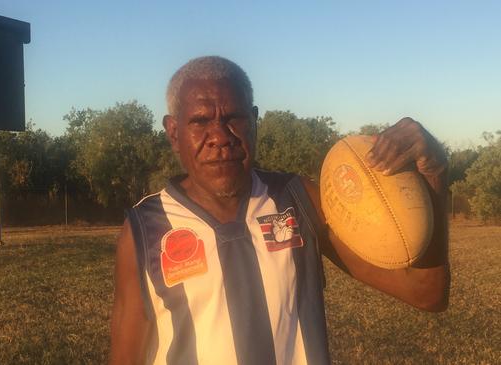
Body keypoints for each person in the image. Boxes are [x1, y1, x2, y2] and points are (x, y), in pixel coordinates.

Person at [109, 56, 450, 365]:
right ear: (173, 132)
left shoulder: (299, 199)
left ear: (254, 121)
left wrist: (433, 171)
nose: (220, 137)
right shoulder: (145, 228)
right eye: (200, 122)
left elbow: (427, 293)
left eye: (234, 118)